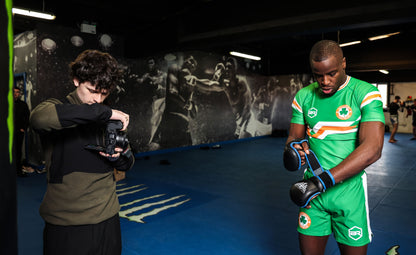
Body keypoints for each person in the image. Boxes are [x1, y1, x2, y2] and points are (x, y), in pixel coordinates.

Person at [30, 49, 135, 255]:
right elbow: (38, 119)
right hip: (67, 224)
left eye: (104, 93)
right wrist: (103, 112)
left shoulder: (109, 118)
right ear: (76, 80)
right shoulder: (58, 108)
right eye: (92, 90)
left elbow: (128, 162)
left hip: (108, 219)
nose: (97, 99)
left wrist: (118, 157)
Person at [285, 40, 384, 255]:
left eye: (332, 73)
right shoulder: (303, 97)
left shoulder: (365, 93)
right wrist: (293, 150)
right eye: (318, 75)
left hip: (348, 194)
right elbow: (294, 136)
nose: (325, 81)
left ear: (344, 64)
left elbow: (373, 148)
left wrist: (322, 181)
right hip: (313, 194)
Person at [135, 57, 167, 150]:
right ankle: (150, 140)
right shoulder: (147, 75)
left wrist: (160, 86)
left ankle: (155, 140)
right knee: (152, 119)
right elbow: (140, 81)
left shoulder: (162, 74)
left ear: (156, 64)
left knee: (158, 119)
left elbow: (165, 84)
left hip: (162, 100)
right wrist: (138, 79)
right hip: (152, 101)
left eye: (151, 63)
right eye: (148, 63)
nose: (149, 65)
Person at [13, 86, 30, 177]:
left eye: (17, 92)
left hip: (19, 132)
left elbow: (27, 117)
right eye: (14, 92)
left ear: (19, 94)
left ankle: (18, 171)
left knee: (18, 152)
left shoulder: (23, 104)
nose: (15, 94)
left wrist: (24, 128)